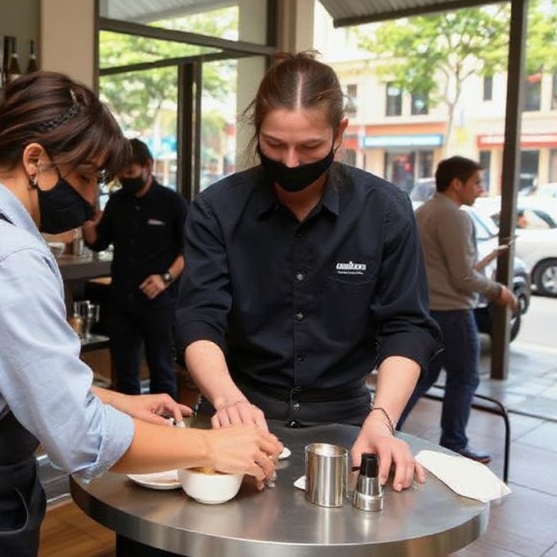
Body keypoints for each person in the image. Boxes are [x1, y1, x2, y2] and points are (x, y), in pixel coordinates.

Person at [0, 71, 281, 557]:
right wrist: (212, 449)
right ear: (35, 160)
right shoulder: (8, 254)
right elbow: (78, 437)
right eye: (87, 177)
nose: (93, 197)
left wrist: (117, 401)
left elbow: (4, 378)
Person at [175, 52, 441, 492]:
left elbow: (407, 325)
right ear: (256, 132)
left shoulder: (384, 210)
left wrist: (383, 419)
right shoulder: (217, 209)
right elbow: (198, 317)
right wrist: (227, 398)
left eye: (310, 146)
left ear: (339, 133)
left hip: (345, 422)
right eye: (275, 145)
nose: (292, 163)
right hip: (236, 411)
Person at [397, 157, 518, 463]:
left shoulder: (424, 211)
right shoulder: (454, 217)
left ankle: (387, 428)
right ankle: (454, 442)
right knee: (465, 378)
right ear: (456, 183)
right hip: (453, 313)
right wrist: (499, 290)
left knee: (421, 377)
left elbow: (440, 268)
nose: (481, 189)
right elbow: (461, 277)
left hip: (428, 309)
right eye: (477, 182)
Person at [82, 138, 188, 398]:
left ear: (147, 166)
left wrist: (165, 278)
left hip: (158, 300)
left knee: (161, 370)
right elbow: (98, 242)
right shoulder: (117, 201)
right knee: (125, 374)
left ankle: (167, 432)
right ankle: (132, 433)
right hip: (121, 300)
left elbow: (190, 249)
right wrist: (87, 223)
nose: (125, 178)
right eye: (121, 174)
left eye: (130, 172)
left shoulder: (172, 202)